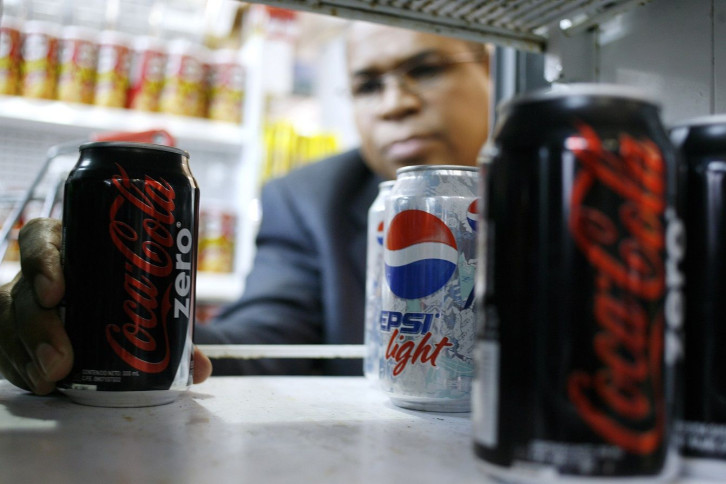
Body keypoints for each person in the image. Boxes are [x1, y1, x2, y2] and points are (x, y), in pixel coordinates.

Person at [0, 21, 492, 394]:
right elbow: (262, 338)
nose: (392, 104)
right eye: (366, 85)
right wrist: (98, 308)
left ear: (495, 71)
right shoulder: (309, 198)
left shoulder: (564, 184)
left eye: (425, 69)